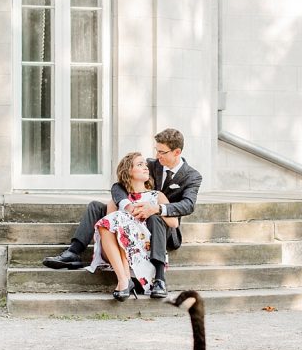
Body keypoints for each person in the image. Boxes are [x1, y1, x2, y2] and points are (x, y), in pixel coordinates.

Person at [42, 127, 203, 299]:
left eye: (162, 152)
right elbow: (119, 184)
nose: (157, 156)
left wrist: (157, 208)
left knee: (155, 219)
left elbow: (188, 205)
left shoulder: (192, 177)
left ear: (176, 152)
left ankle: (159, 279)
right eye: (157, 151)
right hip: (134, 216)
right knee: (95, 207)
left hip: (163, 225)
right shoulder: (152, 165)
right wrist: (126, 205)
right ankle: (74, 251)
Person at [85, 152, 178, 300]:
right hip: (123, 250)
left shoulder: (156, 195)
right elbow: (111, 229)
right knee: (109, 222)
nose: (146, 168)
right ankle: (124, 279)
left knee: (116, 221)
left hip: (146, 245)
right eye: (140, 164)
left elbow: (174, 223)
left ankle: (129, 281)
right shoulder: (118, 199)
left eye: (145, 165)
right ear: (128, 171)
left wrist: (153, 209)